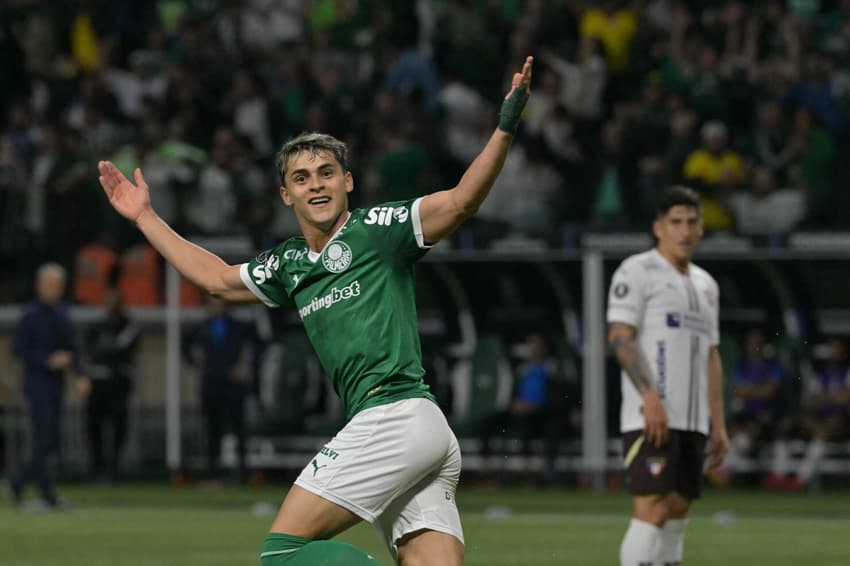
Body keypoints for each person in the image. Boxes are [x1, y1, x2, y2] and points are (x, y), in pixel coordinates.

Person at [97, 56, 534, 566]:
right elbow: (215, 279)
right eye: (302, 178)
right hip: (417, 432)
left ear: (348, 182)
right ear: (286, 195)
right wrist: (146, 217)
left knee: (282, 554)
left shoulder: (377, 229)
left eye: (327, 173)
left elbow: (460, 202)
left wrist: (504, 127)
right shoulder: (288, 264)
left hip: (394, 417)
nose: (317, 184)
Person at [607, 186, 729, 566]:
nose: (685, 231)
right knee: (653, 508)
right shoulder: (637, 270)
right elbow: (620, 338)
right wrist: (650, 397)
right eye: (676, 222)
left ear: (702, 228)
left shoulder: (707, 285)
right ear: (658, 227)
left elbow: (711, 356)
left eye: (692, 222)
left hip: (693, 421)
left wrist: (719, 424)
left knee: (677, 511)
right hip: (651, 416)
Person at [8, 263, 83, 508]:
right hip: (37, 384)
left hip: (55, 386)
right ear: (39, 286)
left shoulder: (62, 314)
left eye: (57, 285)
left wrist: (80, 374)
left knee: (50, 440)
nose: (53, 290)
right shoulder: (30, 315)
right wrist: (47, 361)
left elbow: (72, 348)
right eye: (49, 284)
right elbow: (18, 350)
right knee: (45, 438)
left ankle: (19, 482)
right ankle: (46, 492)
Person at [184, 295, 259, 484]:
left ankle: (243, 474)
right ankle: (213, 473)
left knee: (239, 429)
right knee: (212, 430)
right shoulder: (203, 327)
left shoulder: (240, 326)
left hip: (233, 386)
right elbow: (184, 345)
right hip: (211, 384)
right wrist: (195, 362)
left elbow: (260, 346)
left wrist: (247, 365)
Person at [83, 289, 140, 482]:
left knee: (119, 427)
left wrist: (106, 352)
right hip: (98, 384)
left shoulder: (129, 326)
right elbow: (92, 350)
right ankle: (96, 468)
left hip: (119, 385)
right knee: (94, 427)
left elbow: (120, 350)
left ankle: (114, 468)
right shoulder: (96, 326)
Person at [718, 328, 784, 485]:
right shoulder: (743, 366)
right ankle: (722, 474)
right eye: (751, 342)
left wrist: (749, 390)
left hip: (766, 415)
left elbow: (769, 391)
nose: (754, 346)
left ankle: (724, 474)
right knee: (736, 436)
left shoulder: (772, 366)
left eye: (757, 342)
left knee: (744, 438)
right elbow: (736, 390)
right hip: (745, 415)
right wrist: (757, 390)